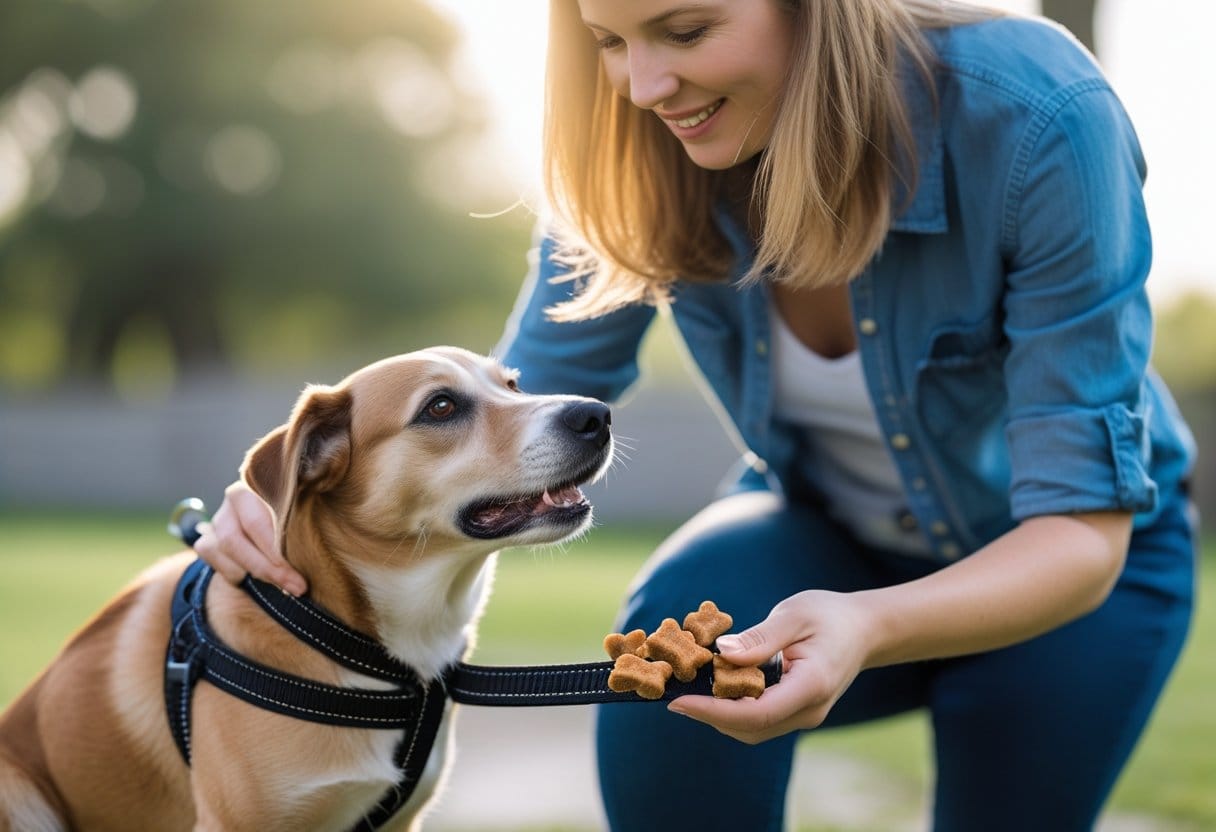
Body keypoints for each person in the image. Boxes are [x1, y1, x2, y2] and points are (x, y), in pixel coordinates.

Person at [196, 1, 1199, 829]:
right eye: (608, 42)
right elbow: (508, 409)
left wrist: (867, 627)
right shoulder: (639, 147)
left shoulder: (1035, 116)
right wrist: (269, 498)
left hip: (1065, 575)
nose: (642, 87)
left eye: (683, 32)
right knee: (664, 684)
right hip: (826, 533)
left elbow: (1081, 532)